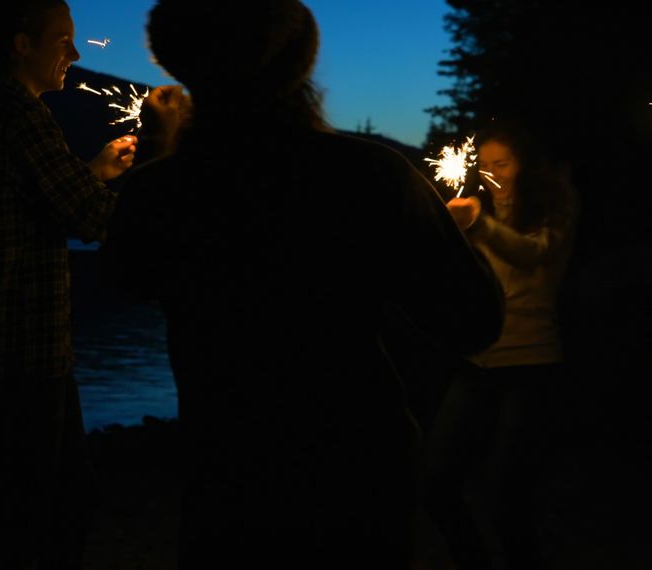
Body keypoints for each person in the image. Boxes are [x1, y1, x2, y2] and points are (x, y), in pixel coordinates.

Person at [100, 1, 504, 567]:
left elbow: (127, 278)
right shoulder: (373, 175)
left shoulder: (158, 192)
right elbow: (474, 321)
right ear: (299, 62)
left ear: (181, 63)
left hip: (227, 471)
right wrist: (454, 235)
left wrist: (167, 155)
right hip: (357, 467)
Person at [0, 1, 159, 567]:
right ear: (22, 45)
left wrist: (97, 170)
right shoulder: (18, 115)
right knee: (40, 504)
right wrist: (158, 164)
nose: (76, 55)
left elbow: (38, 204)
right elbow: (92, 218)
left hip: (19, 341)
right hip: (22, 341)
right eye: (62, 41)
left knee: (50, 493)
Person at [426, 121, 579, 569]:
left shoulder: (556, 205)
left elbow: (533, 253)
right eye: (487, 164)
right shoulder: (479, 213)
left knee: (506, 500)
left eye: (504, 163)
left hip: (530, 363)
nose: (495, 173)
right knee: (434, 482)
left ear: (524, 165)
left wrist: (480, 227)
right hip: (477, 361)